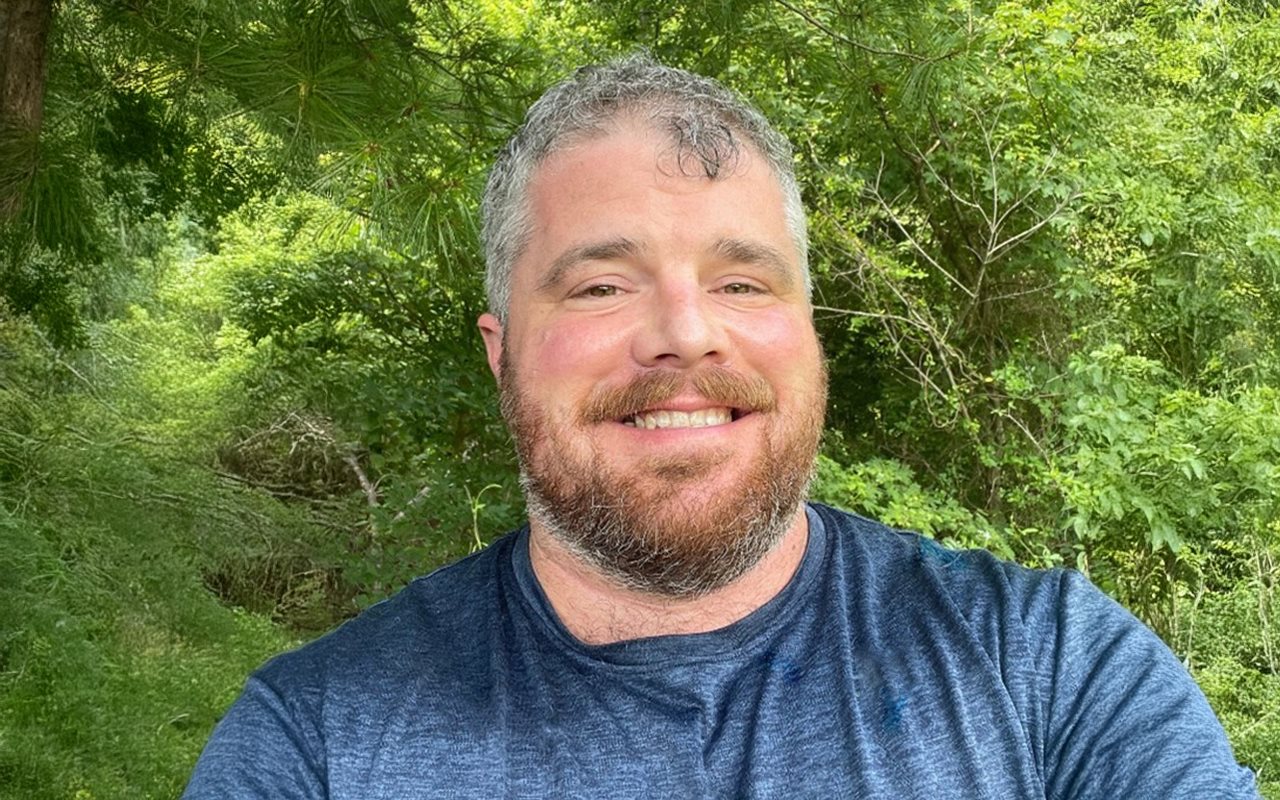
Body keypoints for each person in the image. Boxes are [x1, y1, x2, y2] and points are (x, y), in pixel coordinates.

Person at [183, 54, 1261, 799]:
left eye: (743, 282)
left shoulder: (1052, 671)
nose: (686, 334)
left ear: (806, 327)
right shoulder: (317, 740)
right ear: (500, 349)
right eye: (601, 286)